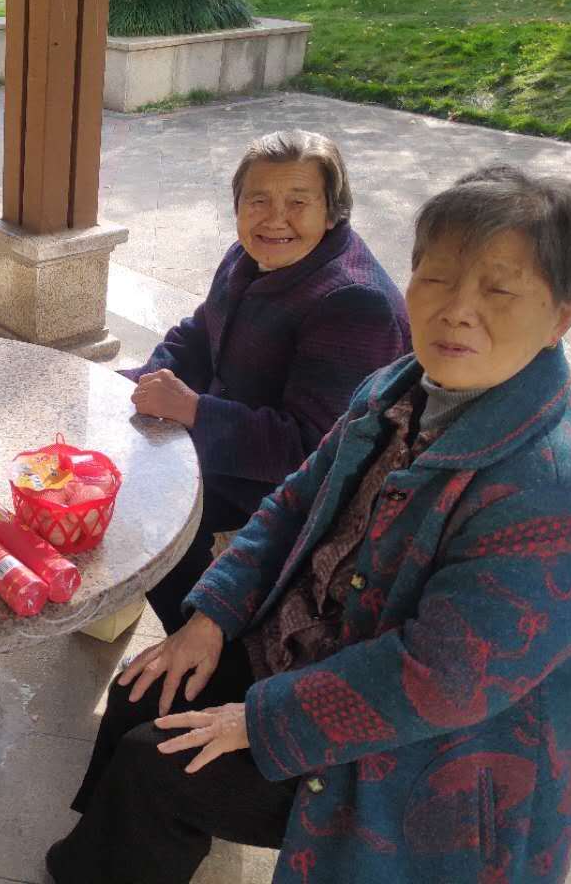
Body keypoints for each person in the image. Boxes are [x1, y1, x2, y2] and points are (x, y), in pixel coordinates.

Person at [50, 165, 571, 884]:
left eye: (498, 290)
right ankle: (114, 855)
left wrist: (258, 721)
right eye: (438, 279)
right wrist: (211, 617)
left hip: (418, 752)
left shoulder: (557, 493)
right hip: (312, 645)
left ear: (563, 314)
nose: (457, 311)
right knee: (144, 689)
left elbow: (439, 680)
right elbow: (294, 503)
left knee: (156, 764)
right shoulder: (397, 387)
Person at [126, 130, 410, 634]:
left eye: (298, 202)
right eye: (258, 200)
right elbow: (200, 331)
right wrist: (142, 381)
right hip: (228, 437)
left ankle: (206, 650)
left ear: (332, 212)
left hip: (287, 495)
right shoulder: (248, 256)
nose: (275, 219)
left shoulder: (354, 303)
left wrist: (193, 410)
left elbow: (313, 450)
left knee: (147, 509)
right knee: (105, 449)